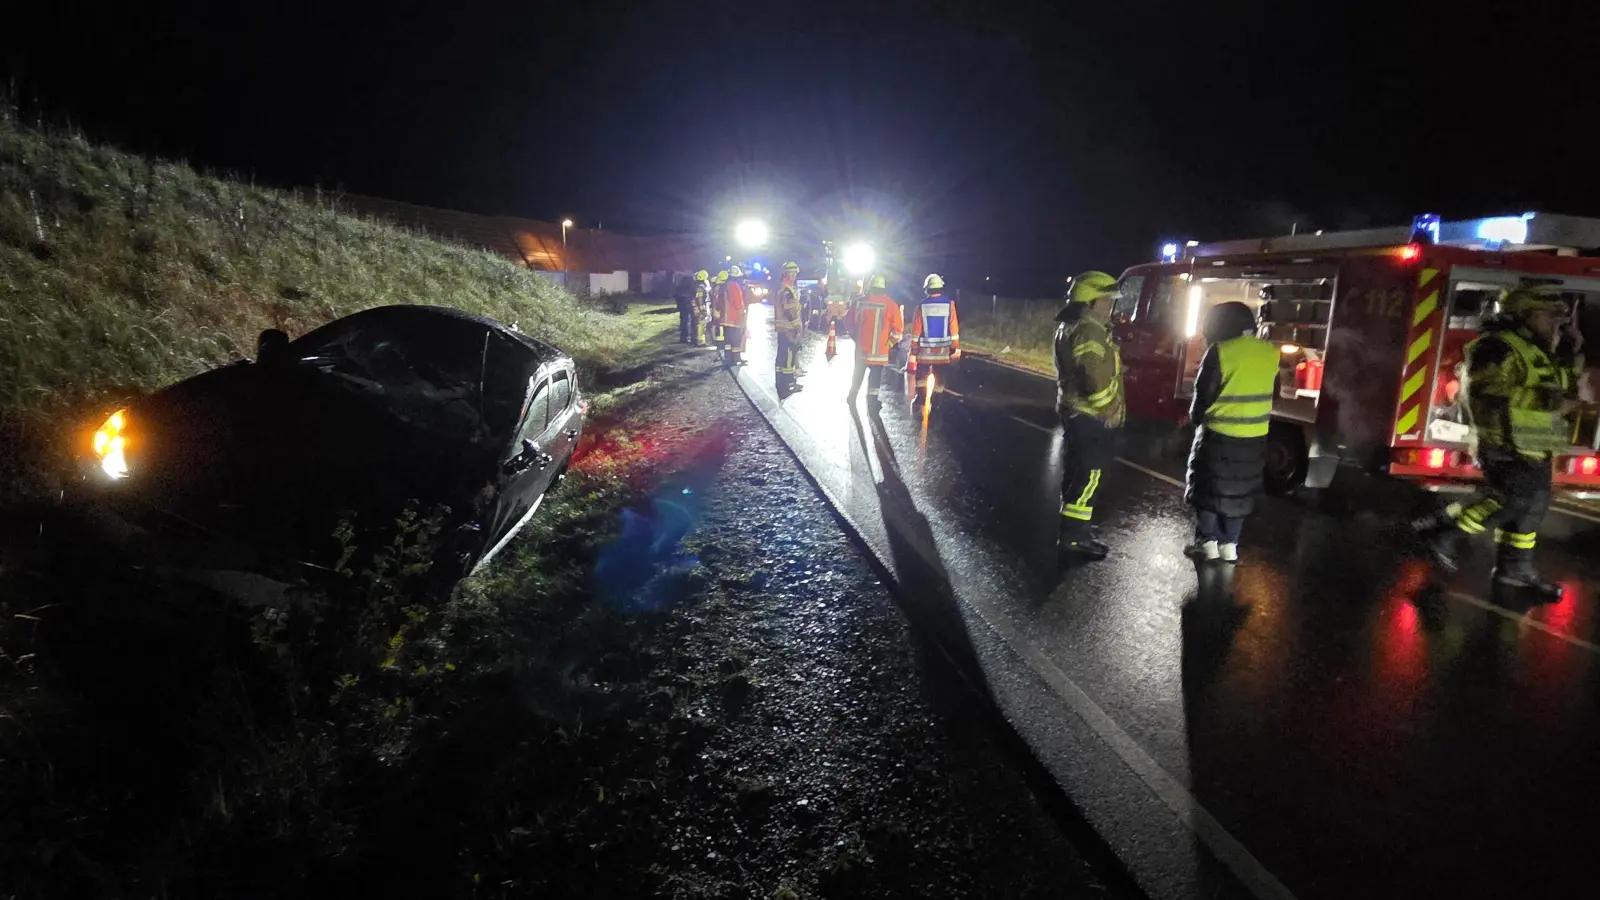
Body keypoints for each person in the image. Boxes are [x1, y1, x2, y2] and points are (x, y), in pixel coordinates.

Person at [1417, 288, 1583, 600]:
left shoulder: (1541, 348)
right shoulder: (1495, 347)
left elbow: (1559, 385)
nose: (1554, 324)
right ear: (1524, 314)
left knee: (1531, 509)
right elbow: (1485, 392)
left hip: (1537, 443)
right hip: (1504, 441)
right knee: (1513, 499)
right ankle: (1446, 533)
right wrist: (1549, 399)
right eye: (1548, 316)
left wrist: (1568, 355)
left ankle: (1515, 571)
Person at [1183, 301, 1280, 563]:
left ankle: (1208, 542)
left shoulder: (1220, 351)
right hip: (1255, 437)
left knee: (1208, 488)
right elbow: (1276, 393)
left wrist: (1194, 419)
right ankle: (1230, 546)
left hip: (1219, 435)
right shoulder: (1269, 352)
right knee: (1240, 491)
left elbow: (1204, 394)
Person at [1053, 270, 1126, 560]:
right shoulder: (1089, 330)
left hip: (1077, 414)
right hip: (1090, 417)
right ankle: (1074, 539)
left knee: (1076, 474)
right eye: (1107, 300)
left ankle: (1075, 530)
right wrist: (1108, 410)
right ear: (1091, 302)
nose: (1111, 306)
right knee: (1090, 476)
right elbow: (1094, 379)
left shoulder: (1075, 326)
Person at [846, 274, 904, 406]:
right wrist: (889, 344)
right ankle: (872, 401)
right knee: (875, 377)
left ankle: (852, 396)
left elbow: (849, 324)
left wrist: (856, 339)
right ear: (883, 288)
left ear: (871, 286)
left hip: (861, 350)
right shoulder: (891, 305)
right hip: (880, 352)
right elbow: (898, 331)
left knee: (858, 373)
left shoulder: (859, 302)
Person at [909, 273, 960, 386]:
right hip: (942, 352)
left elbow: (916, 330)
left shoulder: (921, 306)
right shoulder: (950, 304)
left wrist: (913, 348)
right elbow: (954, 328)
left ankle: (920, 400)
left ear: (927, 289)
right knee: (940, 380)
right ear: (941, 288)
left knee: (921, 380)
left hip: (924, 352)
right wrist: (954, 346)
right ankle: (937, 402)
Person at [774, 260, 805, 395]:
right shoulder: (787, 290)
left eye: (794, 273)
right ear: (786, 274)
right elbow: (790, 309)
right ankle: (787, 385)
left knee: (781, 356)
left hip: (782, 328)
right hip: (789, 328)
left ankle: (780, 382)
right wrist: (796, 327)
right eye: (791, 273)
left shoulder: (782, 287)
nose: (793, 276)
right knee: (788, 356)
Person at [722, 264, 749, 367]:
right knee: (736, 340)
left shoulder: (726, 285)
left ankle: (728, 359)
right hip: (734, 318)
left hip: (726, 318)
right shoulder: (734, 286)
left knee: (728, 341)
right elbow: (738, 301)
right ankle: (736, 359)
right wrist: (742, 312)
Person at [709, 270, 730, 354]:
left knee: (715, 325)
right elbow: (720, 300)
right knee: (719, 326)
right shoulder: (721, 288)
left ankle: (717, 342)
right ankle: (720, 343)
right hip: (719, 310)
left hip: (715, 309)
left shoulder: (715, 287)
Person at [690, 269, 711, 346]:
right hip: (699, 309)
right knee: (701, 324)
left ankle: (697, 340)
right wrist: (703, 310)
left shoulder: (697, 286)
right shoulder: (701, 288)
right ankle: (700, 341)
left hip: (696, 308)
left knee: (698, 324)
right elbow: (700, 299)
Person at [674, 274, 696, 344]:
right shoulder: (693, 288)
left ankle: (684, 338)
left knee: (684, 323)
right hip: (690, 307)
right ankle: (692, 338)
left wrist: (679, 306)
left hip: (683, 308)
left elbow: (676, 297)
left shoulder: (679, 288)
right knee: (692, 322)